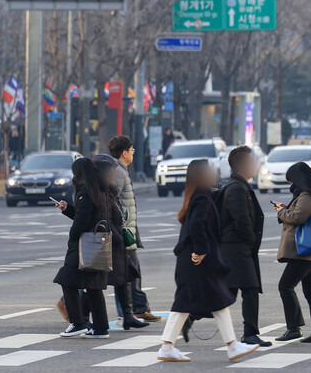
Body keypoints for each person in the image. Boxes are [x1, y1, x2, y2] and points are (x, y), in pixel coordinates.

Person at [157, 159, 259, 363]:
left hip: (191, 259)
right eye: (210, 171)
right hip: (196, 260)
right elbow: (196, 226)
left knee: (200, 302)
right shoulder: (202, 197)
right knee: (210, 301)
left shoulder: (197, 195)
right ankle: (230, 346)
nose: (215, 173)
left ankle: (168, 346)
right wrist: (201, 251)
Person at [272, 162, 311, 343]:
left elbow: (298, 217)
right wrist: (286, 209)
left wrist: (282, 211)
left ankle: (294, 328)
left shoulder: (308, 195)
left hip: (305, 252)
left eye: (291, 180)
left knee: (286, 286)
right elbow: (298, 213)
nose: (291, 184)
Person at [218, 146, 270, 347]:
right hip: (235, 249)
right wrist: (249, 239)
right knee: (249, 288)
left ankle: (193, 315)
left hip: (239, 248)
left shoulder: (240, 186)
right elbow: (241, 219)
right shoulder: (236, 188)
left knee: (228, 293)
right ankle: (250, 333)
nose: (255, 165)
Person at [53, 158, 109, 339]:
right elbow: (85, 214)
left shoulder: (84, 191)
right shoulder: (98, 189)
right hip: (97, 243)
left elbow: (82, 219)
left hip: (83, 244)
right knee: (93, 287)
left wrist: (72, 236)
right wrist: (67, 208)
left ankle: (78, 322)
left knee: (66, 279)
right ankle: (100, 328)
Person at [92, 154, 149, 331]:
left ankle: (128, 315)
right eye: (110, 172)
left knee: (123, 278)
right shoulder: (95, 192)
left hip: (116, 242)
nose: (113, 176)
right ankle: (83, 318)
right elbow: (99, 218)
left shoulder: (108, 190)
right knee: (92, 283)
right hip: (104, 243)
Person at [108, 136, 161, 323]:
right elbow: (112, 199)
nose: (133, 153)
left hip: (126, 229)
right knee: (127, 271)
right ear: (124, 153)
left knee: (129, 270)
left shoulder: (119, 170)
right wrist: (121, 223)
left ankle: (138, 308)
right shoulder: (118, 172)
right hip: (124, 231)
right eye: (132, 150)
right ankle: (133, 310)